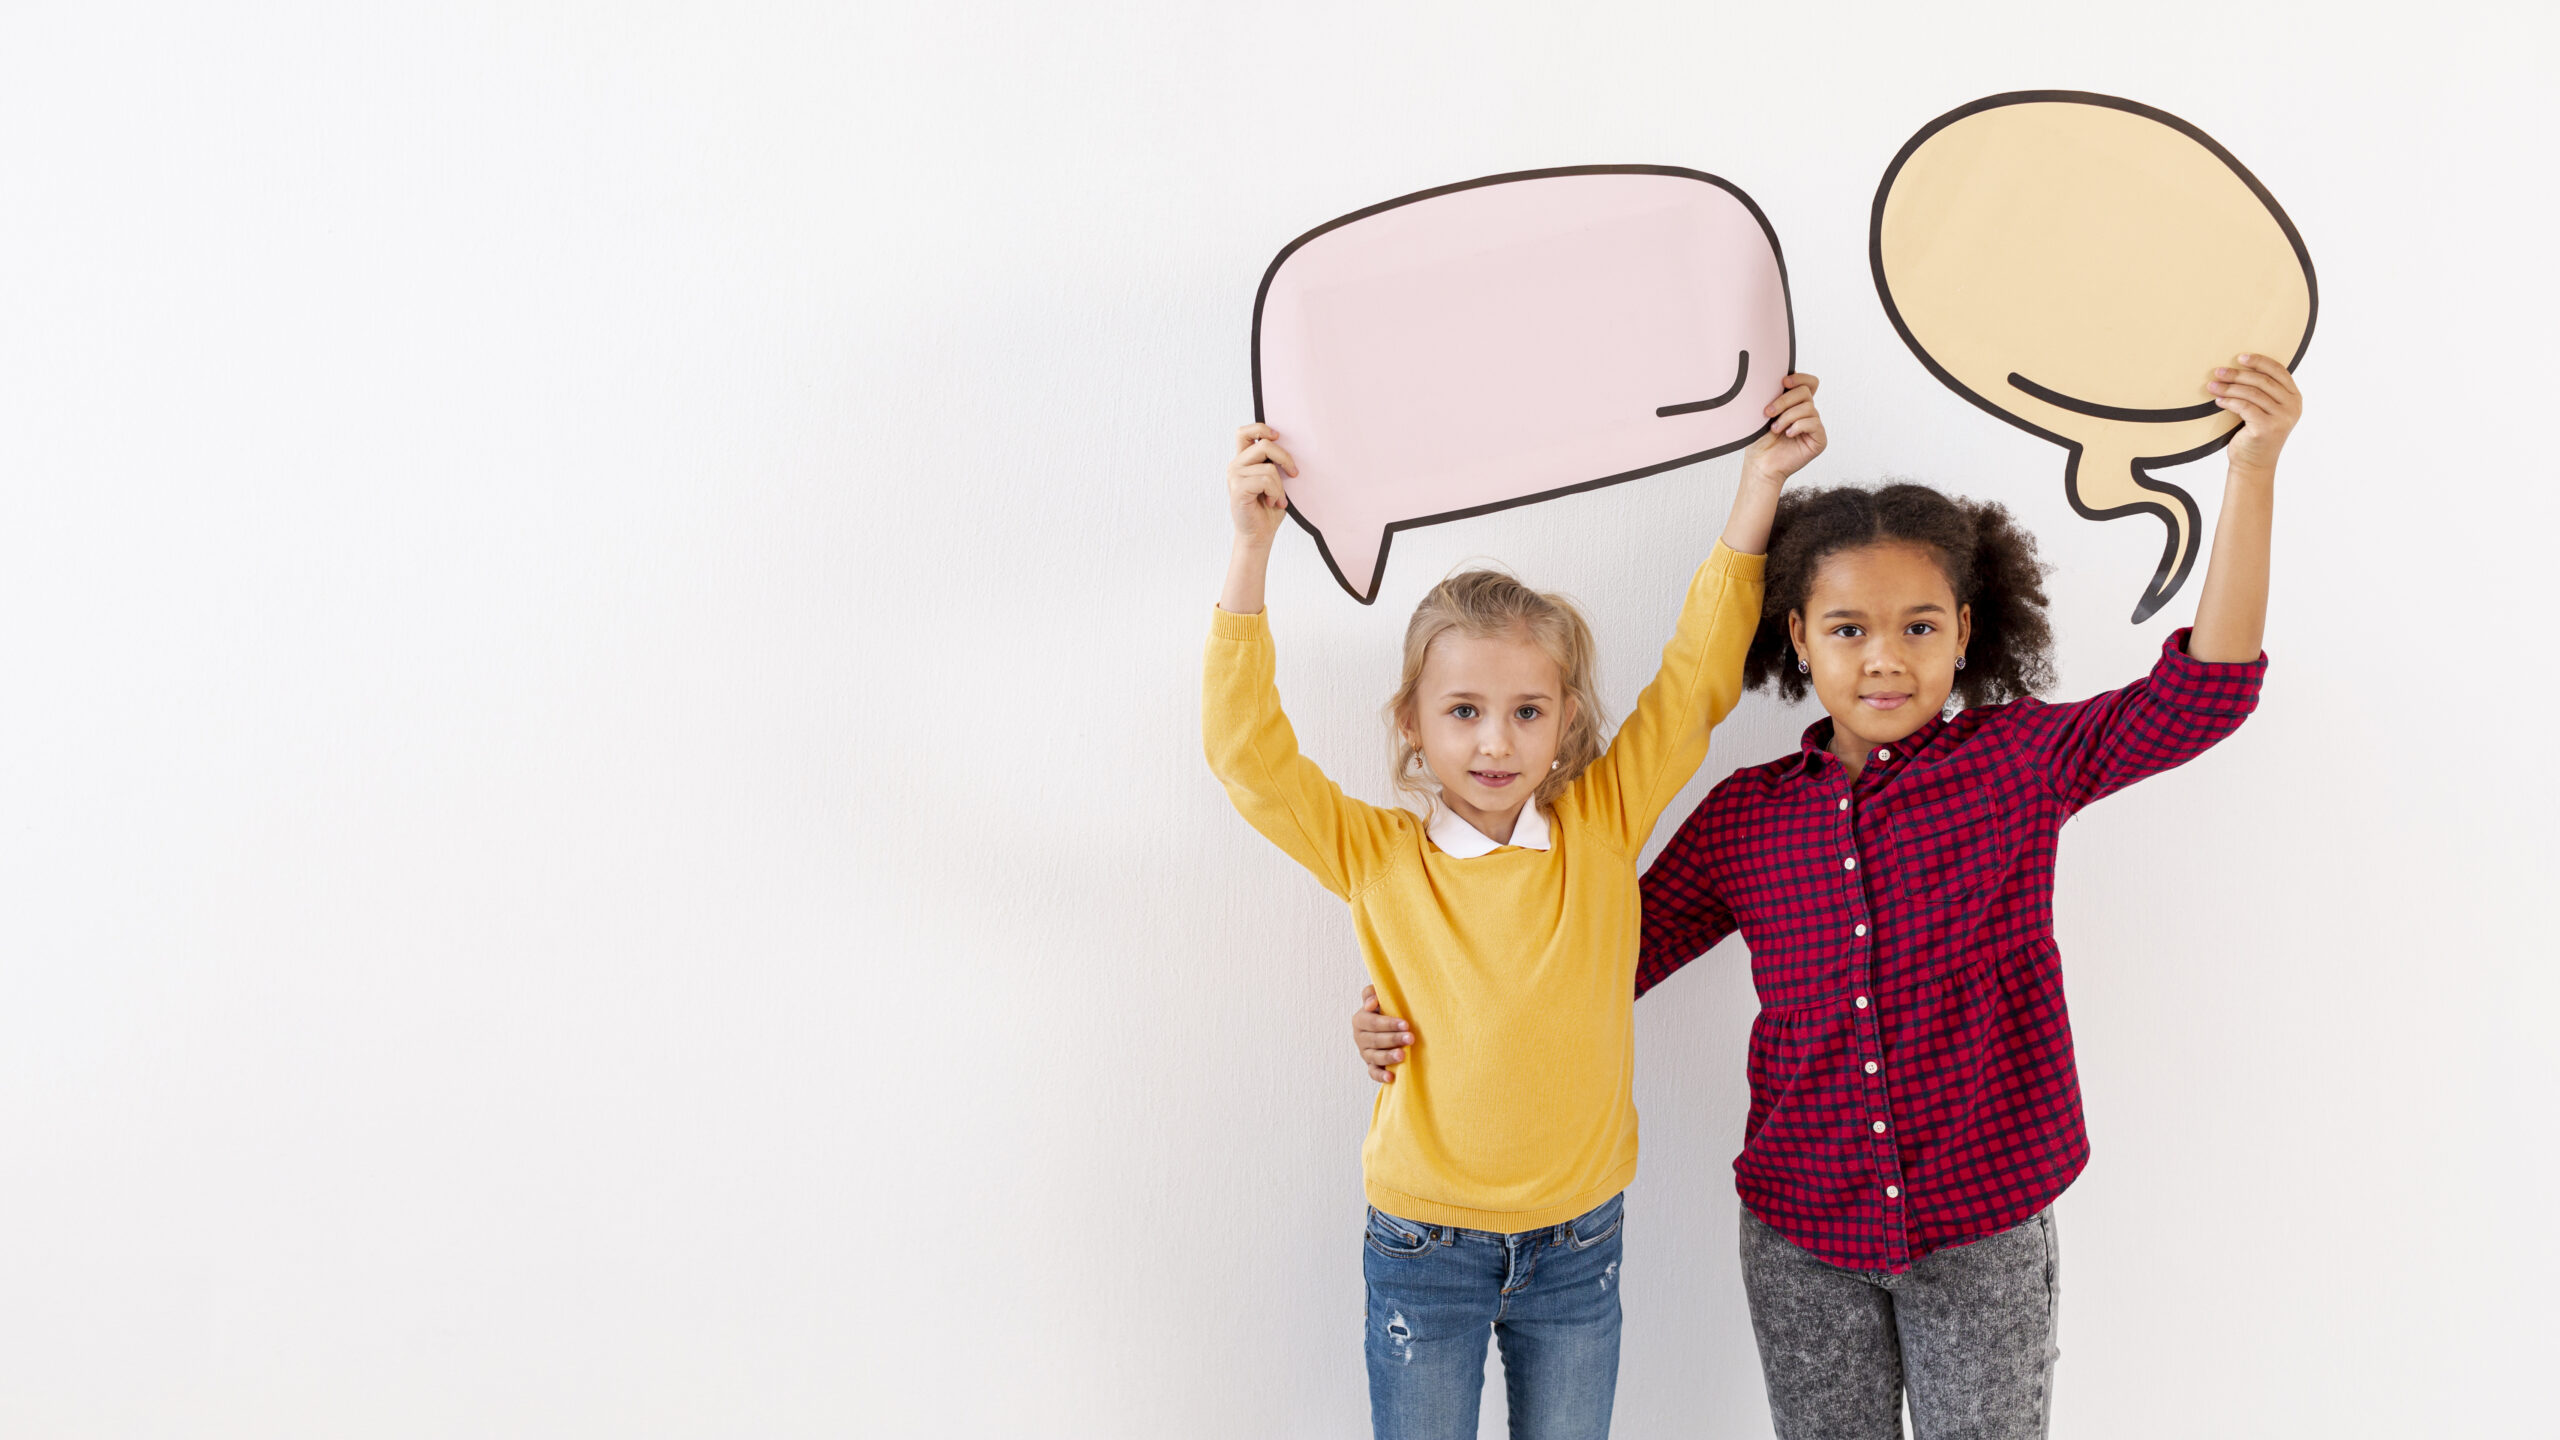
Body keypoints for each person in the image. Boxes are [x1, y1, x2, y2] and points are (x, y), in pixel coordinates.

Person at [1357, 356, 2301, 1438]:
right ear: (1798, 638)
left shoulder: (2021, 761)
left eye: (1918, 626)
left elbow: (2202, 696)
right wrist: (1402, 1009)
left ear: (1964, 631)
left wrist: (2254, 472)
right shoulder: (1747, 817)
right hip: (1802, 1231)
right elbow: (1583, 960)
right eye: (1847, 628)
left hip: (1982, 1222)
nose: (1884, 658)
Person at [1206, 377, 1826, 1439]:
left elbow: (1693, 683)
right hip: (1422, 1250)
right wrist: (1251, 552)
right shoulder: (1378, 853)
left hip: (1577, 1249)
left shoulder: (1599, 823)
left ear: (1564, 720)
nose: (1494, 742)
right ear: (1413, 722)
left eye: (1524, 712)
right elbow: (1248, 758)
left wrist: (1759, 481)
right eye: (1463, 712)